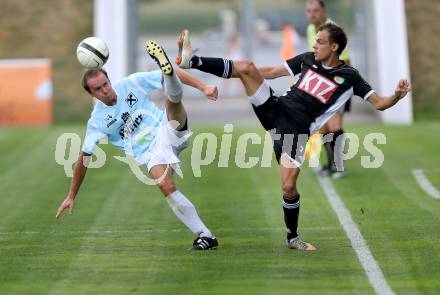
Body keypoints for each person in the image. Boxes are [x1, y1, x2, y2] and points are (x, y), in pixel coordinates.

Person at [175, 25, 410, 251]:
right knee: (247, 66)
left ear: (335, 47)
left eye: (320, 41)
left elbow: (379, 103)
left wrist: (396, 96)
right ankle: (192, 61)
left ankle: (292, 236)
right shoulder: (308, 58)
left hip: (296, 132)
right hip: (275, 108)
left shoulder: (349, 77)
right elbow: (274, 72)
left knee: (288, 187)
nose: (315, 45)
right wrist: (251, 73)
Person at [55, 40, 220, 251]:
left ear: (109, 80)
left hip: (166, 130)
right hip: (150, 154)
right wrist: (71, 195)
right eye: (98, 89)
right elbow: (84, 158)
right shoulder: (96, 122)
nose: (105, 90)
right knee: (165, 186)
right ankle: (205, 235)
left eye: (106, 84)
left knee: (171, 96)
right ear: (91, 94)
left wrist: (203, 86)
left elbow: (178, 73)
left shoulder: (131, 84)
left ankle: (165, 70)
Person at [305, 0, 351, 177]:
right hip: (321, 87)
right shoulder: (311, 29)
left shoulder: (333, 31)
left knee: (334, 125)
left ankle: (339, 166)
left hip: (337, 85)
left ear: (323, 10)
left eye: (315, 10)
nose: (312, 14)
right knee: (323, 128)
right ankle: (331, 165)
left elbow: (346, 61)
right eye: (309, 11)